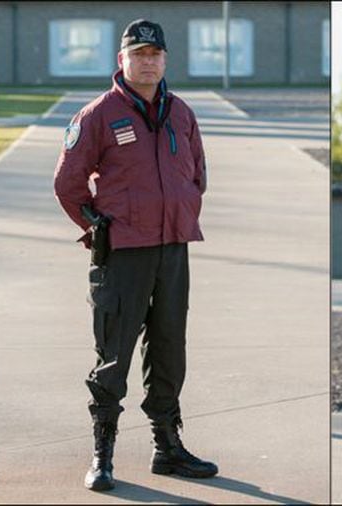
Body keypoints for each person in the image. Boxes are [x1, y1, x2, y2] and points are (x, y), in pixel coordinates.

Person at [53, 19, 218, 492]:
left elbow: (197, 174)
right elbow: (67, 185)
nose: (147, 61)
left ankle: (167, 448)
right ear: (121, 61)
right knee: (114, 354)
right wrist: (96, 227)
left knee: (169, 349)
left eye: (155, 54)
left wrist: (180, 212)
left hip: (173, 248)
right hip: (122, 254)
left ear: (165, 60)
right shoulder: (98, 115)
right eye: (138, 54)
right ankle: (102, 453)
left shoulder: (182, 113)